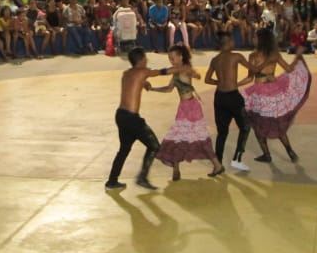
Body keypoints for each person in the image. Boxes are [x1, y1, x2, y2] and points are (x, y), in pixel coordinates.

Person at [151, 45, 223, 180]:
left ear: (181, 57)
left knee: (197, 136)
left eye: (173, 58)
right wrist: (152, 89)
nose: (171, 60)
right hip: (184, 107)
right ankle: (176, 169)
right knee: (178, 137)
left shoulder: (182, 68)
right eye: (169, 58)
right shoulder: (178, 71)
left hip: (192, 107)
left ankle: (217, 165)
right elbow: (168, 89)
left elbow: (164, 71)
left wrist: (147, 73)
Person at [106, 47, 170, 191]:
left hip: (121, 115)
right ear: (141, 60)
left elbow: (133, 82)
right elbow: (162, 72)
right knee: (154, 147)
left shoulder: (127, 73)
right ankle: (142, 177)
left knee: (124, 150)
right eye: (145, 58)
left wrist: (144, 83)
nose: (147, 60)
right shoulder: (143, 71)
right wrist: (179, 68)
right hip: (131, 119)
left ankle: (112, 181)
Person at [242, 28, 310, 164]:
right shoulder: (275, 54)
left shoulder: (253, 56)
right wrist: (297, 57)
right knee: (277, 123)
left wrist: (234, 84)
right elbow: (289, 69)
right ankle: (290, 151)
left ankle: (267, 154)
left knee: (258, 125)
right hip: (273, 92)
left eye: (255, 37)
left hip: (259, 94)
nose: (253, 39)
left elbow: (249, 78)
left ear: (260, 40)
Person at [204, 31, 251, 171]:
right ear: (228, 42)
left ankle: (218, 164)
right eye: (232, 40)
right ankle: (237, 159)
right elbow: (254, 69)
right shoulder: (236, 56)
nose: (234, 43)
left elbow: (207, 79)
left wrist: (221, 82)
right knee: (245, 127)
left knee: (222, 133)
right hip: (233, 97)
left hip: (219, 97)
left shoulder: (215, 59)